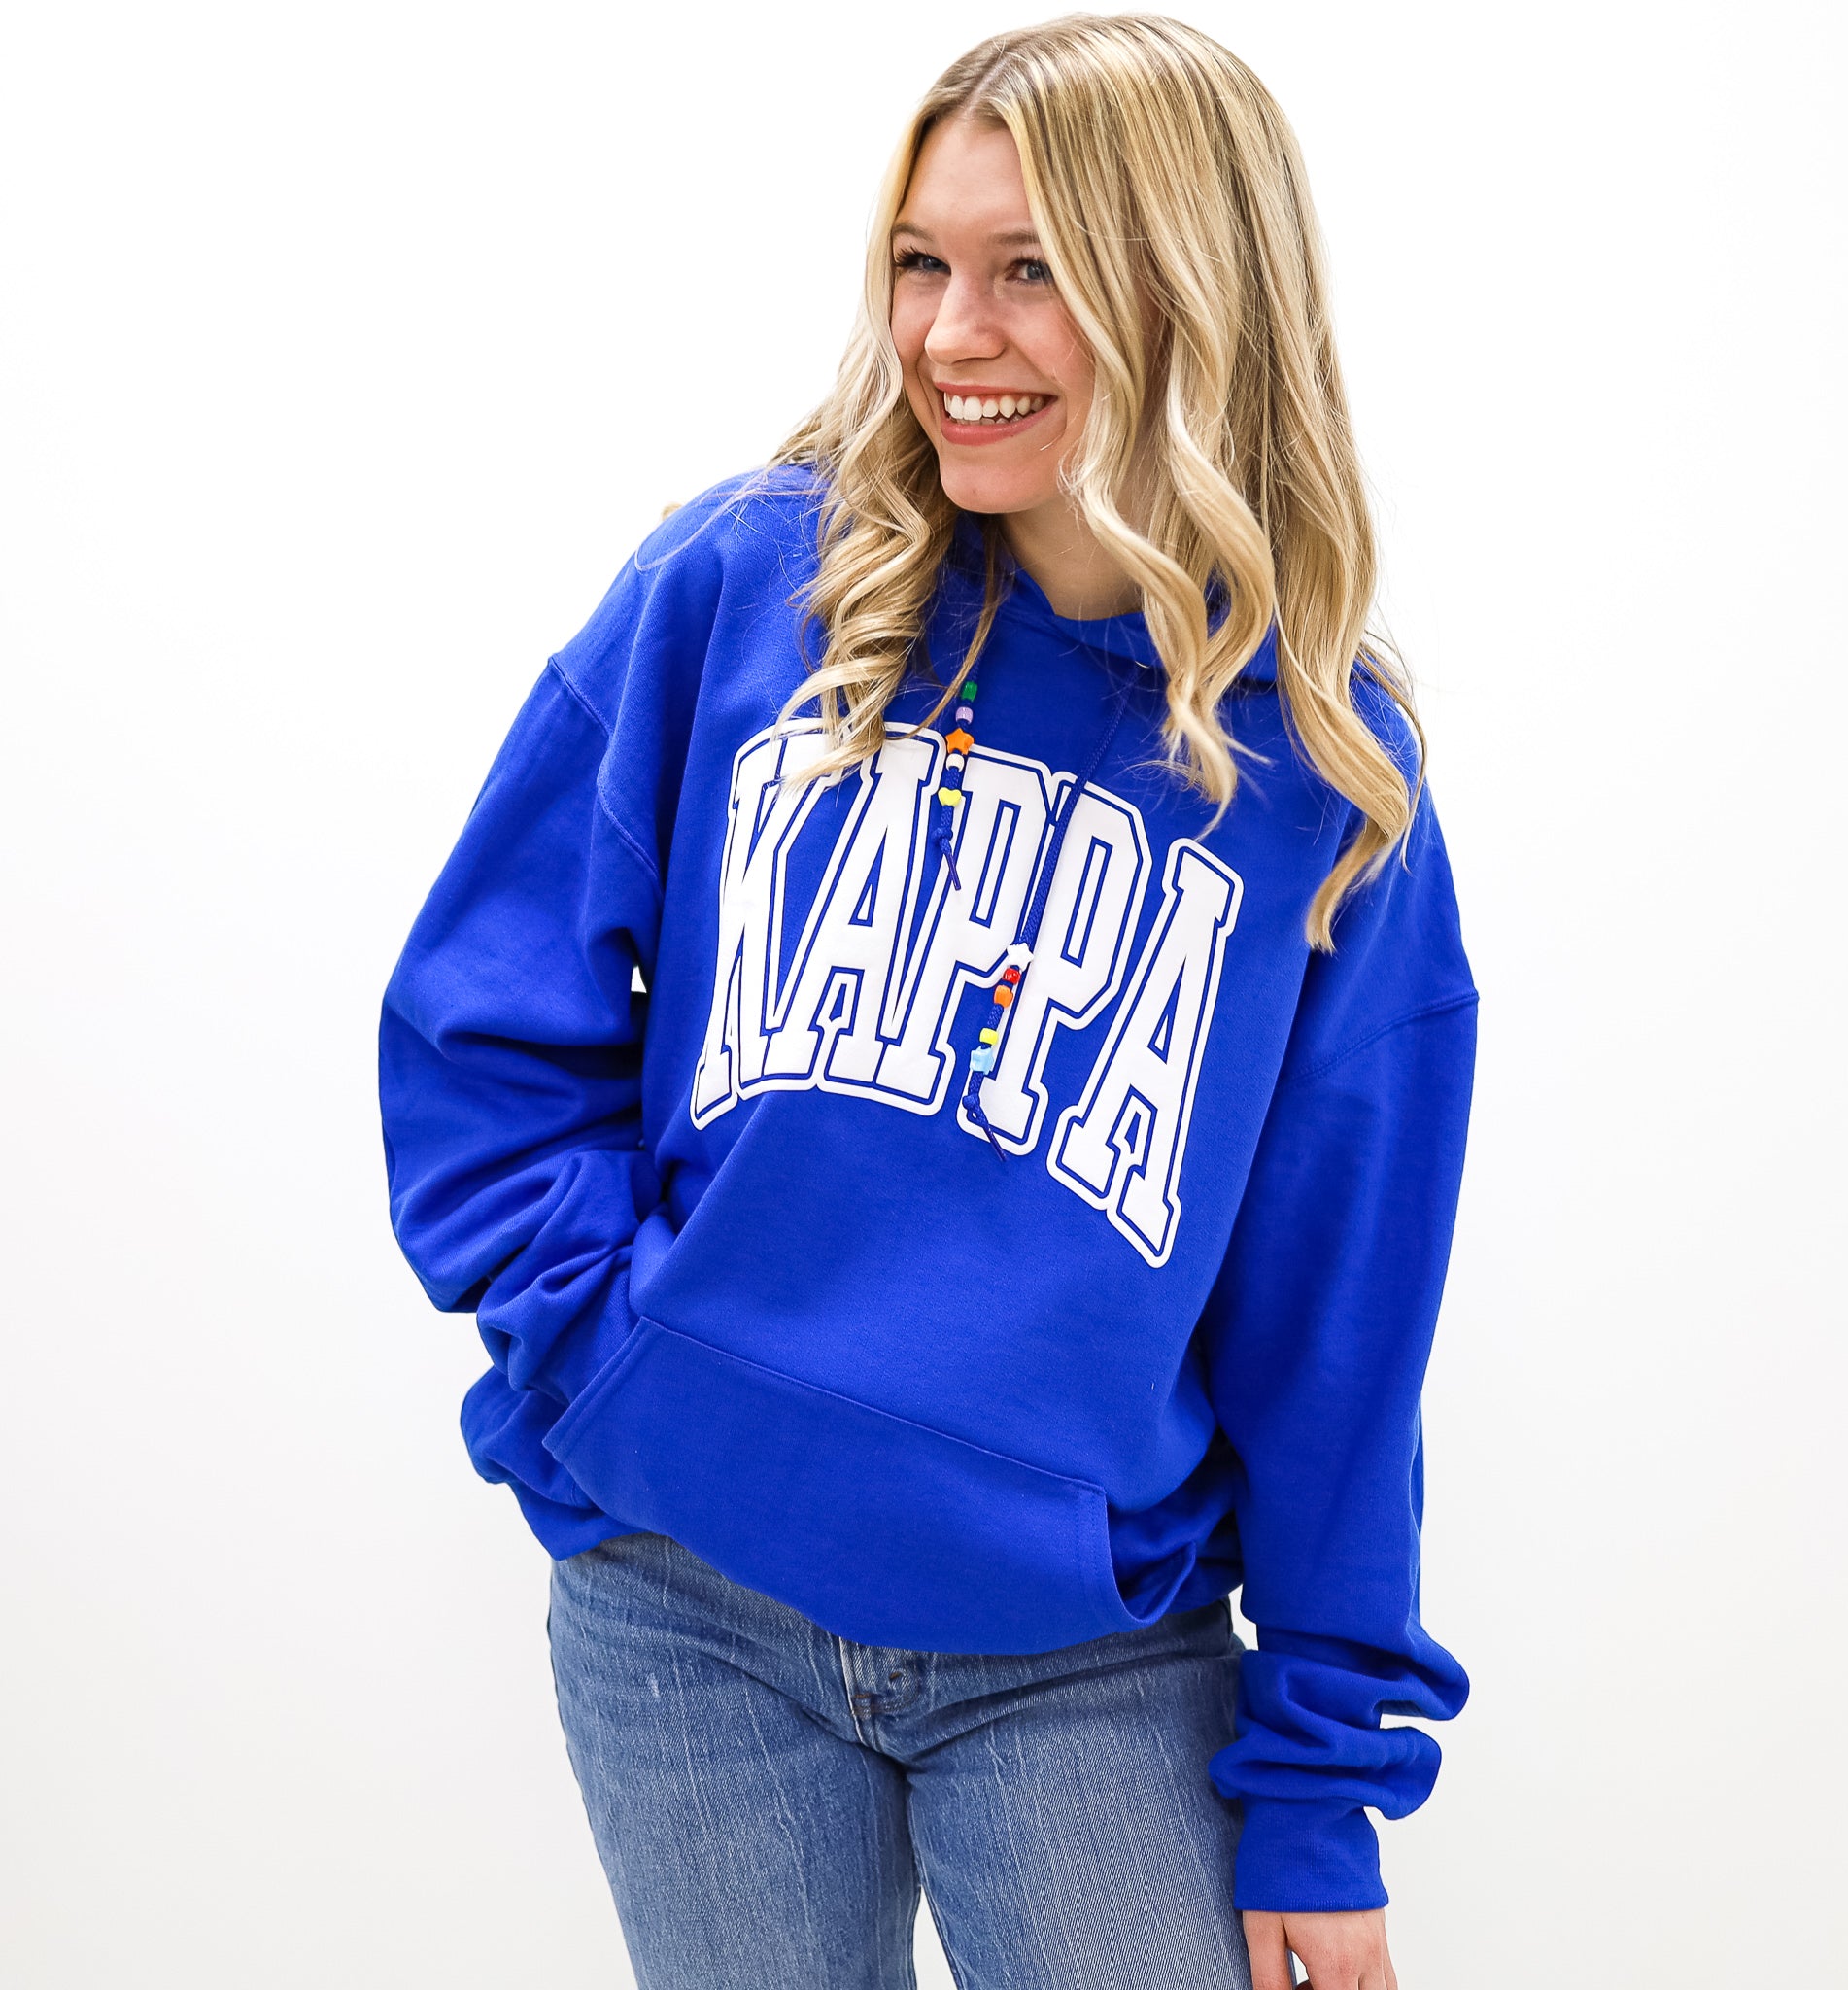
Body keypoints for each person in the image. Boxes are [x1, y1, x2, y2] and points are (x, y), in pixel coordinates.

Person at [378, 15, 1475, 1988]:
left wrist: (1322, 1789)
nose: (950, 334)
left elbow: (1342, 1334)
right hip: (685, 1610)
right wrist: (616, 1365)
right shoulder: (746, 588)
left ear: (1193, 294)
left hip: (1085, 1657)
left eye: (1028, 270)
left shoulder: (1324, 781)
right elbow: (483, 1021)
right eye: (918, 263)